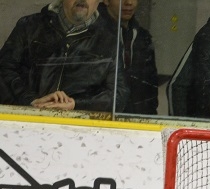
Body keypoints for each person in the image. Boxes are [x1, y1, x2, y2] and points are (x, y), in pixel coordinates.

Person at [0, 0, 128, 112]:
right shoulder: (29, 26)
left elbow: (118, 94)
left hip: (77, 128)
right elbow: (4, 69)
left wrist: (75, 104)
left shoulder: (110, 41)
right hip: (25, 122)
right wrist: (31, 101)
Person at [98, 0, 158, 115]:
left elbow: (150, 91)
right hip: (101, 119)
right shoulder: (93, 35)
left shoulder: (143, 38)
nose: (129, 2)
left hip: (136, 120)